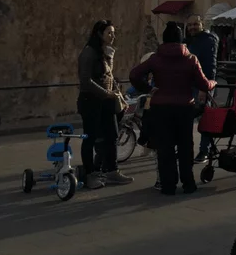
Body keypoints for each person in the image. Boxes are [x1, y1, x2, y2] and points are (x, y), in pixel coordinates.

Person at [129, 22, 215, 195]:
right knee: (185, 146)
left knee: (165, 147)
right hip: (184, 108)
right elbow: (204, 84)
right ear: (181, 39)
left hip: (160, 107)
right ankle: (188, 183)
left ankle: (168, 185)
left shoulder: (155, 58)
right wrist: (213, 83)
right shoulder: (190, 59)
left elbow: (134, 75)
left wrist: (148, 89)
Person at [76, 19, 134, 189]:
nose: (113, 36)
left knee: (112, 135)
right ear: (99, 34)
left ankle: (112, 171)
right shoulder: (88, 53)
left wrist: (117, 95)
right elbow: (86, 81)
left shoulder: (105, 52)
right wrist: (106, 93)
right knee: (90, 138)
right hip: (90, 101)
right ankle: (89, 175)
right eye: (109, 33)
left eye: (114, 33)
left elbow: (108, 76)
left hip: (106, 101)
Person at [186, 14, 220, 165]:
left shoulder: (208, 40)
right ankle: (190, 149)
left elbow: (210, 66)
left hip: (202, 86)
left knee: (205, 118)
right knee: (188, 117)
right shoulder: (190, 40)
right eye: (190, 25)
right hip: (190, 85)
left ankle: (204, 150)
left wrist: (204, 88)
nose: (192, 27)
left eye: (195, 24)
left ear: (202, 25)